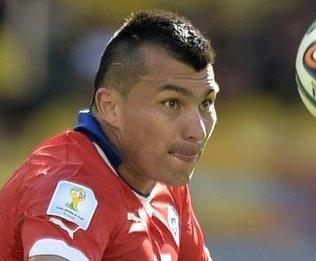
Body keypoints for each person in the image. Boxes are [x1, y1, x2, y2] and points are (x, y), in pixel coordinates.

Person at [0, 9, 218, 261]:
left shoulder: (163, 179)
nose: (197, 130)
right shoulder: (71, 184)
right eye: (171, 103)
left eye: (206, 103)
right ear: (110, 107)